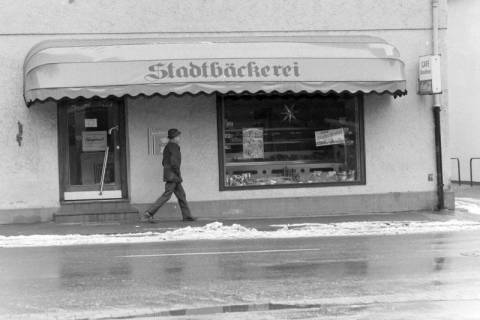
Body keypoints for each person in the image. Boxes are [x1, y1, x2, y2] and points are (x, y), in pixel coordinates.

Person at [143, 128, 196, 222]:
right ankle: (149, 213)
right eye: (178, 136)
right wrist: (177, 173)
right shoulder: (174, 146)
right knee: (167, 195)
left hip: (171, 175)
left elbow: (163, 162)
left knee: (181, 195)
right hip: (173, 176)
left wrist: (169, 171)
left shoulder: (168, 147)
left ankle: (187, 216)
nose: (179, 138)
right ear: (174, 137)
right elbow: (174, 163)